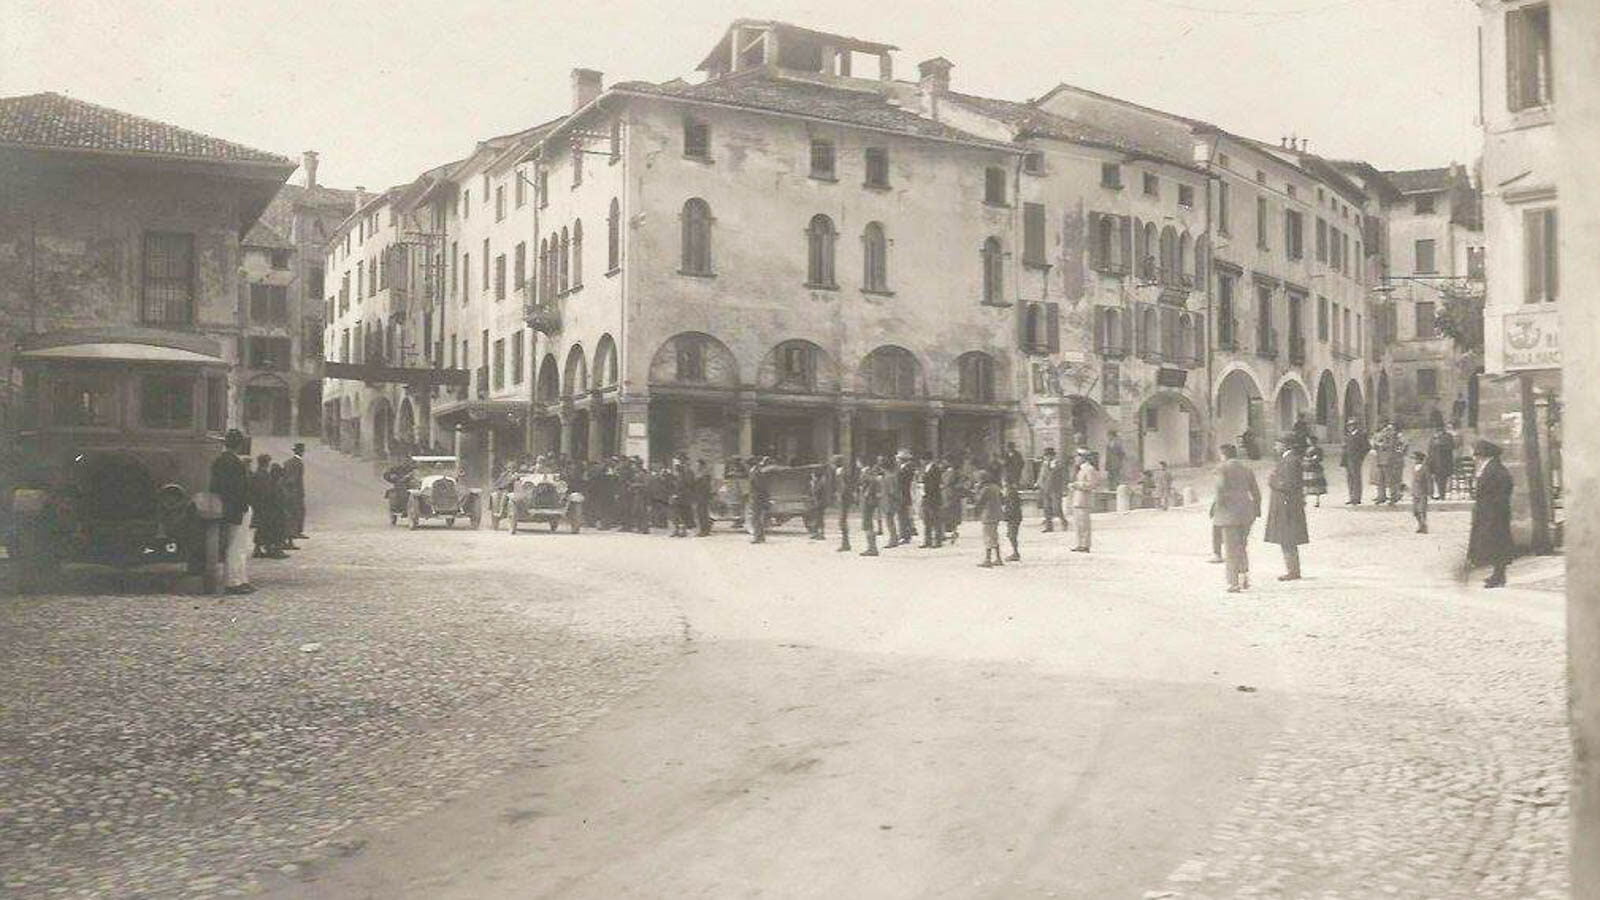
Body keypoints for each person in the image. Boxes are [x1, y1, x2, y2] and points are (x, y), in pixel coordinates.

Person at [1210, 443, 1262, 592]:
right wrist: (1256, 510)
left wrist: (1217, 509)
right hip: (1246, 512)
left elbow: (1219, 490)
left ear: (1223, 454)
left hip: (1228, 513)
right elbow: (1256, 492)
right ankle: (1244, 577)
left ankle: (1233, 583)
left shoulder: (1221, 469)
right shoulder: (1247, 469)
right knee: (1242, 546)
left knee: (1231, 548)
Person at [209, 430, 253, 595]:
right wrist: (243, 507)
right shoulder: (234, 462)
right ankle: (234, 582)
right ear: (239, 444)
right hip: (237, 508)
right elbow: (238, 488)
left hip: (229, 507)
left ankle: (240, 579)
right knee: (237, 546)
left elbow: (215, 487)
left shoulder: (220, 461)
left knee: (238, 546)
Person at [1468, 440, 1514, 588]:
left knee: (1497, 544)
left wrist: (1491, 510)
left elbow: (1502, 490)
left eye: (1477, 454)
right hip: (1490, 512)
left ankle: (1499, 577)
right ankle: (1497, 575)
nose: (1475, 457)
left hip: (1494, 514)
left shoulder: (1494, 469)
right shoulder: (1491, 467)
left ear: (1484, 455)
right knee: (1495, 544)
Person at [1264, 435, 1308, 581]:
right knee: (1287, 539)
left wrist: (1273, 482)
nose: (1275, 447)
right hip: (1287, 504)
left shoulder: (1290, 461)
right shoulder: (1288, 459)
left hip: (1287, 505)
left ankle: (1293, 571)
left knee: (1287, 538)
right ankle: (1292, 569)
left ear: (1285, 445)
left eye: (1277, 444)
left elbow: (1288, 484)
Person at [251, 454, 287, 559]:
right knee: (272, 527)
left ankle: (260, 549)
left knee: (262, 528)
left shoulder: (256, 474)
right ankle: (274, 549)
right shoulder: (264, 476)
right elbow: (268, 492)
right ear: (266, 463)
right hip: (267, 506)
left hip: (260, 505)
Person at [1069, 448, 1097, 552]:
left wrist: (1077, 485)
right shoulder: (1081, 469)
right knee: (1078, 524)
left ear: (1082, 458)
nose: (1075, 459)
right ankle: (1080, 543)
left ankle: (1085, 545)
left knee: (1084, 524)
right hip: (1078, 499)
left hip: (1084, 500)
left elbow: (1092, 484)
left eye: (1077, 457)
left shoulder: (1089, 469)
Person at [975, 472, 1004, 568]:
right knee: (994, 536)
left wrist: (976, 491)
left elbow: (979, 501)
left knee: (987, 537)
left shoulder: (985, 489)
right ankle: (998, 558)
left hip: (988, 514)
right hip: (996, 514)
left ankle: (988, 559)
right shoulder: (995, 487)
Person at [1341, 418, 1370, 504]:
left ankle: (1357, 498)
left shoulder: (1361, 435)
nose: (1350, 427)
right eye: (1348, 426)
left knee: (1356, 478)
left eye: (1352, 425)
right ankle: (1351, 497)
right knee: (1350, 479)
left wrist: (1360, 457)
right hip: (1347, 459)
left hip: (1356, 460)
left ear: (1356, 426)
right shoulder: (1348, 435)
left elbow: (1367, 447)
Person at [918, 454, 944, 548]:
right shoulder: (925, 469)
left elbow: (935, 484)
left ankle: (937, 541)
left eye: (922, 460)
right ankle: (927, 540)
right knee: (926, 520)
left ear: (926, 459)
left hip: (933, 497)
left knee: (935, 519)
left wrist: (925, 488)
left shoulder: (935, 469)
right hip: (926, 496)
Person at [857, 458, 882, 557]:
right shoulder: (869, 471)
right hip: (868, 500)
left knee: (867, 524)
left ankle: (872, 547)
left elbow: (872, 482)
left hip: (867, 501)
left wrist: (867, 493)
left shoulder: (866, 472)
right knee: (868, 524)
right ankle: (871, 547)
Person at [283, 442, 308, 540]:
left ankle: (292, 531)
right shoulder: (298, 463)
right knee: (298, 511)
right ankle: (296, 531)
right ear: (301, 451)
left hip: (289, 491)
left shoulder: (288, 462)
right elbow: (294, 479)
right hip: (296, 491)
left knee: (292, 511)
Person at [1038, 447, 1065, 532]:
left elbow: (1062, 477)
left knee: (1057, 508)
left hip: (1055, 489)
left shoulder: (1058, 464)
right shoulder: (1044, 464)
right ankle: (1049, 527)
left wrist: (1063, 488)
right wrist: (1039, 483)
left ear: (1052, 456)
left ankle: (1063, 521)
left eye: (1048, 455)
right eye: (1046, 456)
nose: (1047, 457)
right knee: (1046, 508)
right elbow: (1041, 475)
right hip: (1045, 488)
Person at [1427, 424, 1457, 500]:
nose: (1438, 430)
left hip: (1444, 462)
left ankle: (1441, 495)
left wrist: (1439, 443)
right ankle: (1433, 494)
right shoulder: (1433, 437)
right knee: (1433, 479)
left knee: (1442, 479)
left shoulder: (1448, 436)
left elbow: (1452, 446)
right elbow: (1429, 449)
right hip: (1433, 462)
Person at [896, 450, 919, 545]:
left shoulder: (907, 469)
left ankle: (905, 535)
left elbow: (903, 482)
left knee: (903, 515)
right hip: (903, 494)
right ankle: (904, 533)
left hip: (903, 494)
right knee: (902, 515)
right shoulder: (903, 468)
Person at [942, 455, 965, 543]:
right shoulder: (948, 471)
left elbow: (959, 483)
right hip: (948, 494)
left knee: (951, 513)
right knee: (949, 513)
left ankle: (953, 531)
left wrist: (953, 488)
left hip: (951, 494)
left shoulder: (954, 472)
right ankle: (950, 530)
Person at [832, 455, 854, 552]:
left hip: (843, 499)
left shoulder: (840, 472)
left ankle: (845, 544)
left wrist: (840, 496)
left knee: (842, 521)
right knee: (842, 521)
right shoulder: (844, 471)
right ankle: (845, 543)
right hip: (845, 498)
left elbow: (843, 486)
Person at [749, 457, 771, 544]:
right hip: (758, 497)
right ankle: (760, 536)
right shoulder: (757, 470)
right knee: (757, 518)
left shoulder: (756, 471)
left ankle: (758, 537)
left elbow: (759, 486)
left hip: (757, 497)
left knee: (755, 518)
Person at [1000, 477, 1023, 562]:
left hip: (1013, 517)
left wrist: (1006, 515)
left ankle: (1016, 553)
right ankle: (1015, 552)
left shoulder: (1011, 493)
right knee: (1011, 535)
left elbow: (1011, 506)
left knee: (1012, 535)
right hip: (1014, 517)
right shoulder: (1011, 492)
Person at [1302, 438, 1327, 508]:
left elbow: (1319, 458)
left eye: (1309, 440)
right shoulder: (1307, 448)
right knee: (1306, 484)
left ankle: (1317, 501)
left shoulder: (1318, 449)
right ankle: (1304, 500)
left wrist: (1310, 459)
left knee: (1316, 484)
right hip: (1307, 468)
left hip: (1314, 468)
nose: (1308, 441)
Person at [1410, 450, 1430, 534]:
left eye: (1415, 459)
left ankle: (1423, 526)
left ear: (1419, 459)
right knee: (1415, 511)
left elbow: (1428, 480)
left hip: (1422, 491)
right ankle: (1420, 525)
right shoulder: (1414, 468)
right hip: (1415, 491)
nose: (1414, 461)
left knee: (1422, 510)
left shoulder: (1425, 468)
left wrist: (1429, 491)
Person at [692, 458, 713, 536]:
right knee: (701, 513)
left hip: (702, 496)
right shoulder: (700, 473)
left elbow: (705, 486)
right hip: (699, 495)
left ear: (701, 465)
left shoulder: (705, 474)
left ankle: (704, 530)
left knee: (702, 513)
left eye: (697, 464)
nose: (696, 466)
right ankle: (704, 529)